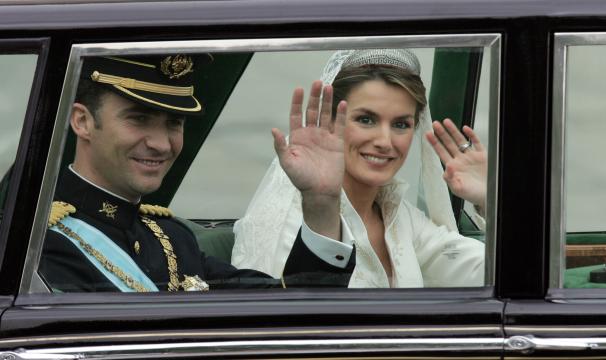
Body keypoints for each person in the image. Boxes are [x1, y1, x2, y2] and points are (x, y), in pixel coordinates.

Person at [39, 54, 353, 292]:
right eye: (139, 119)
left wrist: (320, 201)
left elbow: (291, 311)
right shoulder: (38, 247)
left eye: (174, 123)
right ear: (82, 121)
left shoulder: (171, 239)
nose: (162, 144)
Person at [232, 49, 487, 288]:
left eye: (401, 124)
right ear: (329, 121)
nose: (385, 142)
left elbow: (487, 272)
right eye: (366, 120)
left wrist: (490, 199)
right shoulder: (291, 220)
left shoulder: (397, 215)